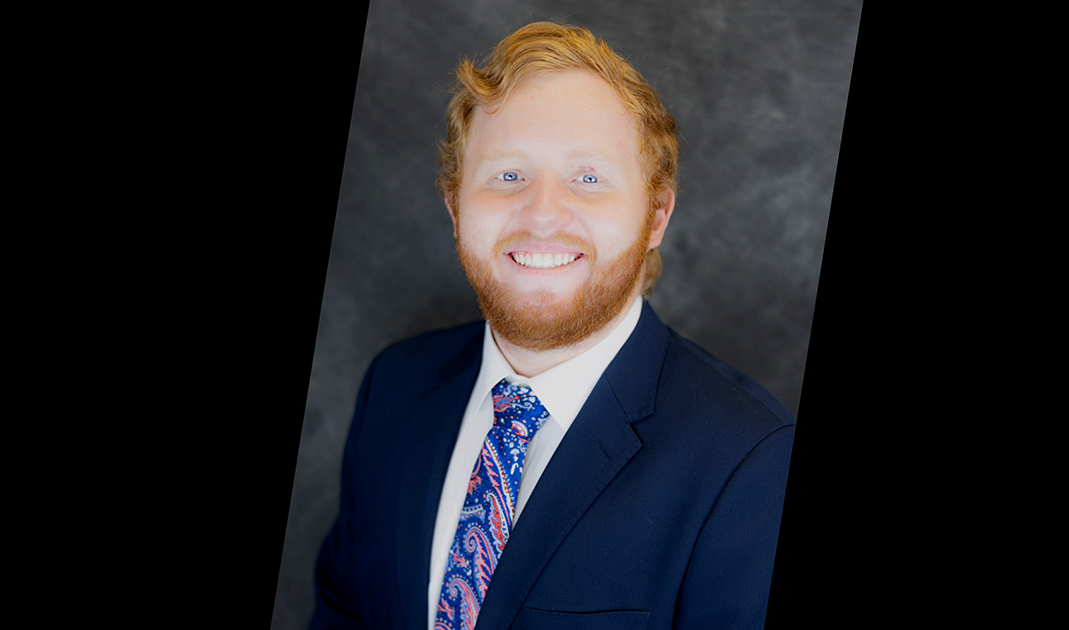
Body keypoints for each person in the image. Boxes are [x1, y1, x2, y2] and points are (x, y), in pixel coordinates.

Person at [311, 21, 795, 630]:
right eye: (508, 175)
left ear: (655, 217)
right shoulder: (395, 387)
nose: (541, 215)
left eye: (588, 179)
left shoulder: (754, 464)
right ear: (455, 208)